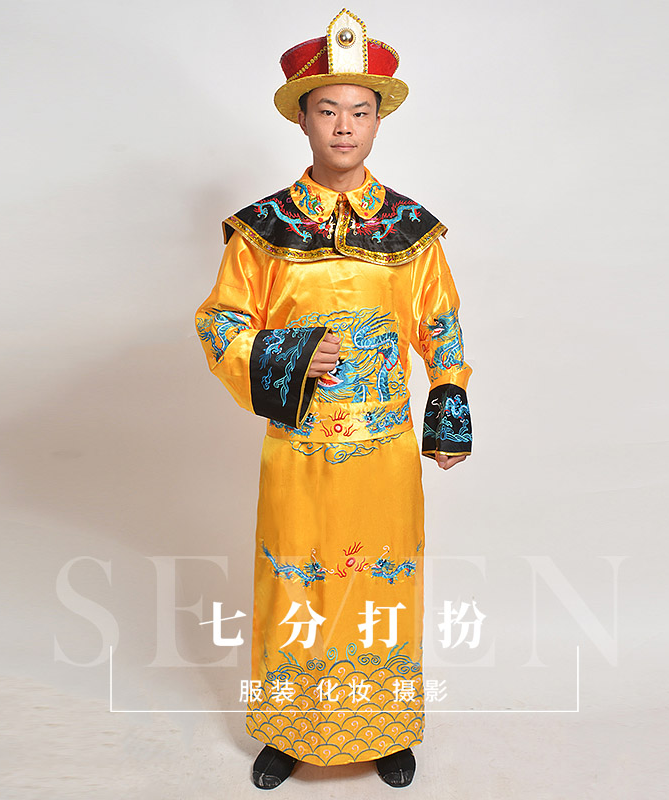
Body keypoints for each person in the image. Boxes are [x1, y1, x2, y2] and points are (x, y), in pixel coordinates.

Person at [195, 9, 472, 790]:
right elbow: (220, 323)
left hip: (383, 450)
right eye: (328, 110)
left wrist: (448, 398)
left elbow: (440, 323)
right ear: (302, 118)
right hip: (301, 449)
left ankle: (384, 728)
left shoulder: (411, 231)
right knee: (296, 579)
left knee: (383, 580)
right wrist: (284, 355)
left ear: (379, 121)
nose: (344, 126)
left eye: (360, 111)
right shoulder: (263, 231)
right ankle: (291, 732)